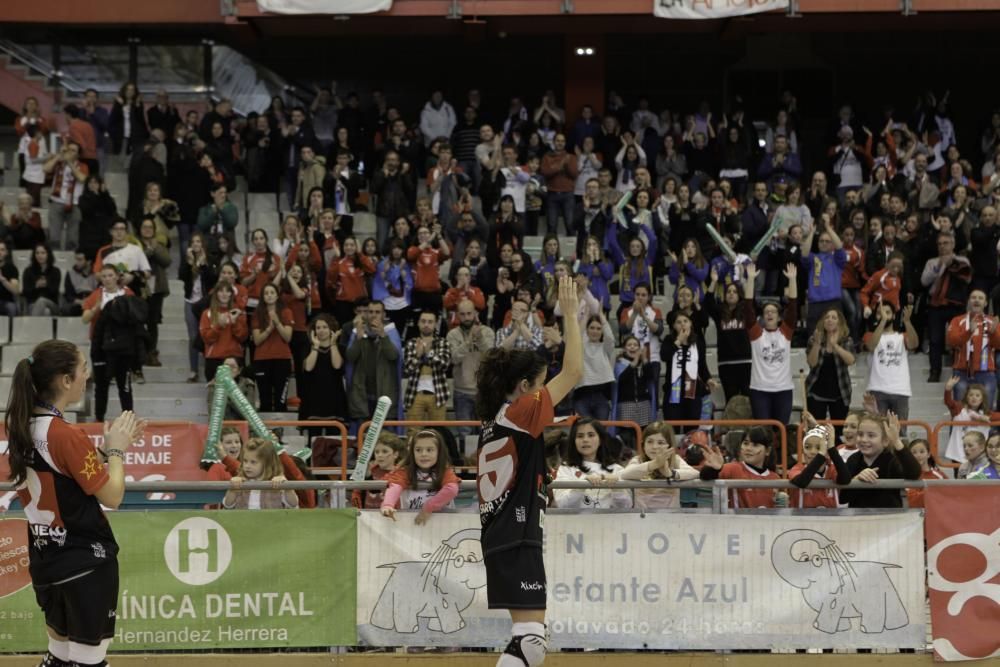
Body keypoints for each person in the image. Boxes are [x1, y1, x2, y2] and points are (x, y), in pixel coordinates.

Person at [5, 339, 145, 667]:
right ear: (66, 381)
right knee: (87, 661)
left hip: (46, 558)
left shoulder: (21, 426)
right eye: (83, 369)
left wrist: (109, 447)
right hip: (85, 560)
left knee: (60, 657)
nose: (87, 376)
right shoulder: (65, 434)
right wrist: (117, 452)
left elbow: (61, 470)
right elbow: (113, 496)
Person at [475, 276, 581, 667]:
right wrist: (571, 315)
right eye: (539, 385)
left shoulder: (495, 419)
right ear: (524, 387)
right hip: (515, 534)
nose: (545, 391)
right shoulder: (519, 411)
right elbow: (573, 372)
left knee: (530, 638)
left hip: (505, 533)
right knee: (531, 640)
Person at [744, 263, 797, 424]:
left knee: (781, 431)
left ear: (779, 316)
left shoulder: (785, 333)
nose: (769, 313)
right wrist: (751, 280)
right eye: (766, 311)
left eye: (773, 311)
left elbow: (793, 306)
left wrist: (792, 280)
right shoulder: (756, 334)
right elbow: (748, 308)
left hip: (784, 389)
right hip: (760, 390)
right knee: (763, 433)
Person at [82, 265, 136, 423]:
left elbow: (137, 316)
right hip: (100, 346)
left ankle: (128, 418)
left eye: (110, 275)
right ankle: (99, 419)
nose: (107, 279)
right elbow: (84, 319)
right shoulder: (97, 294)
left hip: (123, 345)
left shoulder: (127, 293)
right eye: (104, 276)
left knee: (124, 383)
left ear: (116, 277)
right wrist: (96, 308)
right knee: (101, 384)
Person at [840, 412, 921, 508]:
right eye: (860, 434)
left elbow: (914, 473)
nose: (864, 439)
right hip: (859, 519)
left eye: (871, 435)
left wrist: (896, 441)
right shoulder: (853, 459)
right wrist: (856, 480)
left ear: (885, 441)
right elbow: (843, 498)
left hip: (888, 518)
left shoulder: (892, 459)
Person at [380, 430, 460, 522]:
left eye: (429, 450)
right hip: (411, 523)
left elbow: (451, 489)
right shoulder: (404, 471)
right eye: (418, 450)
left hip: (443, 523)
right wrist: (388, 505)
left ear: (439, 452)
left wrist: (428, 508)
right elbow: (395, 486)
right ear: (412, 452)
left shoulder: (445, 471)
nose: (423, 454)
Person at [554, 418, 632, 509]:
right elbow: (563, 505)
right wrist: (581, 485)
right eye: (580, 436)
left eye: (591, 435)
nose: (585, 440)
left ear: (600, 440)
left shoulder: (616, 469)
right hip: (575, 522)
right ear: (573, 441)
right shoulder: (565, 468)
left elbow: (626, 507)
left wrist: (617, 488)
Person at [620, 421, 699, 510]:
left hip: (671, 517)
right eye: (649, 442)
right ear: (643, 445)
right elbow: (624, 474)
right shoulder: (638, 460)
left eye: (660, 443)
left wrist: (670, 473)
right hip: (642, 517)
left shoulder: (675, 460)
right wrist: (653, 465)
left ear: (670, 446)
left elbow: (694, 473)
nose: (654, 446)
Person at [700, 426, 783, 509]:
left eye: (755, 445)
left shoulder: (775, 478)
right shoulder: (733, 468)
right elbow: (704, 476)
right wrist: (714, 469)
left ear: (767, 451)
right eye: (746, 443)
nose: (748, 448)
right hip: (738, 521)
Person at [446, 299, 493, 442]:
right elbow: (453, 359)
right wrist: (468, 342)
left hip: (484, 391)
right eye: (463, 314)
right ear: (457, 316)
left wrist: (479, 339)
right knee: (464, 433)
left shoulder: (487, 332)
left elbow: (491, 356)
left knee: (486, 433)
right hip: (462, 392)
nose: (466, 318)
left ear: (475, 314)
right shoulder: (452, 335)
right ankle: (466, 463)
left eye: (469, 314)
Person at [946, 289, 1000, 410]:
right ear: (969, 301)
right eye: (973, 297)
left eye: (980, 298)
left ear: (985, 303)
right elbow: (952, 342)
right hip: (962, 372)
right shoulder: (957, 320)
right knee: (959, 413)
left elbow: (998, 345)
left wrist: (993, 333)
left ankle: (985, 430)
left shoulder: (992, 322)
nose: (976, 300)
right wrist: (968, 331)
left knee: (986, 413)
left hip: (987, 373)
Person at [661, 311, 717, 424]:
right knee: (673, 427)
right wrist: (678, 342)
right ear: (673, 326)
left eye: (685, 321)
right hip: (673, 393)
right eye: (679, 322)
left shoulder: (698, 342)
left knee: (692, 429)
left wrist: (708, 379)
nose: (682, 324)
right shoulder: (669, 340)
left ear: (690, 323)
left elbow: (702, 365)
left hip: (692, 393)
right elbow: (664, 356)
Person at [805, 309, 856, 424]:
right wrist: (817, 344)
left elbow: (851, 360)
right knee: (816, 430)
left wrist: (835, 346)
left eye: (834, 317)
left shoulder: (846, 340)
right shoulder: (814, 339)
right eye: (827, 317)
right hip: (816, 393)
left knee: (839, 431)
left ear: (839, 322)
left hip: (840, 393)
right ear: (822, 321)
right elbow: (812, 363)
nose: (830, 320)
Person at [402, 311, 452, 426]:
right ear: (418, 323)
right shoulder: (411, 343)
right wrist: (418, 356)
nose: (426, 324)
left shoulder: (443, 343)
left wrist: (428, 353)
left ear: (435, 324)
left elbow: (444, 365)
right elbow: (408, 368)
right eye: (423, 321)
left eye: (430, 322)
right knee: (413, 431)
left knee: (438, 431)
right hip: (415, 394)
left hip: (438, 394)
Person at [180, 233, 218, 382]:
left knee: (207, 335)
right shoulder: (187, 261)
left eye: (198, 241)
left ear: (203, 244)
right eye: (193, 241)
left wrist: (202, 265)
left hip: (206, 302)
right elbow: (182, 277)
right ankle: (193, 370)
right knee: (193, 336)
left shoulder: (210, 259)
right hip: (190, 301)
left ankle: (209, 367)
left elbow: (212, 279)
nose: (196, 244)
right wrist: (189, 264)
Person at [298, 314, 347, 430]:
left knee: (334, 441)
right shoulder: (307, 348)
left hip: (334, 398)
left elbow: (337, 366)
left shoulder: (340, 348)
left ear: (331, 329)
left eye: (325, 327)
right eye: (318, 328)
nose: (321, 331)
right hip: (313, 398)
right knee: (313, 439)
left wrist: (333, 344)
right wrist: (315, 347)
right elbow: (308, 368)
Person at [222, 438, 299, 510]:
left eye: (253, 462)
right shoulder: (241, 481)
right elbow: (228, 504)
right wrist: (233, 488)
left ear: (267, 463)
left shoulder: (277, 481)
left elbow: (293, 504)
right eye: (245, 461)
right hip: (244, 522)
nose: (247, 466)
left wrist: (287, 487)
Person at [251, 284, 294, 412]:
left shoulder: (286, 312)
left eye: (272, 292)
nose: (269, 295)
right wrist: (270, 328)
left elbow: (287, 337)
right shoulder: (257, 313)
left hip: (282, 358)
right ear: (263, 297)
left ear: (277, 295)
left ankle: (281, 429)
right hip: (262, 359)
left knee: (281, 400)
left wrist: (277, 322)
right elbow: (257, 340)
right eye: (266, 293)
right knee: (265, 401)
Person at [788, 418, 843, 509]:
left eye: (818, 447)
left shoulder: (832, 469)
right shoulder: (797, 469)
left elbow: (845, 478)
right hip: (802, 521)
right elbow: (802, 481)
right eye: (807, 447)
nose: (812, 452)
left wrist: (832, 449)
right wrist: (821, 454)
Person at [43, 142, 89, 251]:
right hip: (56, 202)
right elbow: (45, 169)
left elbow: (82, 178)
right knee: (54, 237)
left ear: (78, 155)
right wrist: (59, 155)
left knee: (72, 238)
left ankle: (70, 260)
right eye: (69, 149)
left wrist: (70, 162)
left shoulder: (83, 166)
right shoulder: (58, 163)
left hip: (75, 204)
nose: (70, 152)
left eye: (73, 151)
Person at [199, 282, 248, 381]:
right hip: (214, 359)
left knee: (234, 395)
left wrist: (234, 323)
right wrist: (219, 326)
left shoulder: (238, 313)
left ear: (231, 294)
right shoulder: (207, 313)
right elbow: (206, 338)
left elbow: (243, 337)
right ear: (216, 293)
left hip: (234, 358)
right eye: (221, 291)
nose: (224, 294)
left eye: (227, 291)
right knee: (216, 395)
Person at [942, 376, 993, 465]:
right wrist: (948, 389)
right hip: (958, 454)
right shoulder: (959, 409)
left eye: (977, 395)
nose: (974, 398)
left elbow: (996, 417)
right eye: (971, 395)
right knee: (960, 477)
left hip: (979, 456)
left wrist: (984, 418)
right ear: (967, 397)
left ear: (982, 399)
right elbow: (949, 402)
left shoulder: (986, 413)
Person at [574, 314, 615, 420]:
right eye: (592, 328)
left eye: (598, 328)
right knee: (584, 429)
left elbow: (610, 337)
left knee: (601, 432)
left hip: (601, 397)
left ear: (602, 331)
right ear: (587, 330)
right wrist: (585, 317)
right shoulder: (581, 346)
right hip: (581, 397)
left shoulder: (605, 347)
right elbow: (577, 335)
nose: (595, 331)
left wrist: (602, 316)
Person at [350, 432, 405, 510]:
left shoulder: (400, 474)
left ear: (395, 454)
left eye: (384, 451)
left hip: (392, 517)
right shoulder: (369, 471)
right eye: (377, 452)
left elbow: (377, 490)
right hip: (368, 518)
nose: (380, 455)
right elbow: (357, 495)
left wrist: (368, 477)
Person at [22, 243, 61, 316]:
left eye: (43, 253)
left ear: (48, 254)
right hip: (33, 304)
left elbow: (55, 291)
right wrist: (36, 286)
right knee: (46, 312)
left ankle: (30, 326)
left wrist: (47, 284)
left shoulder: (55, 271)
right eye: (37, 253)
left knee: (42, 300)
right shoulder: (28, 271)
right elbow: (25, 292)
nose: (40, 255)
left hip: (52, 304)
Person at [905, 438, 946, 508]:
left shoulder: (939, 475)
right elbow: (911, 501)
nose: (918, 455)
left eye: (922, 452)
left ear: (928, 454)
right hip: (913, 515)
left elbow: (947, 495)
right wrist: (933, 493)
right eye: (914, 452)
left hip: (935, 513)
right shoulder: (907, 476)